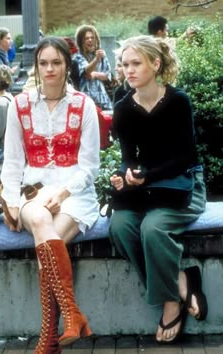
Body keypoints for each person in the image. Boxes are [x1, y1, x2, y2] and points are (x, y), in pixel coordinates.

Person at [0, 36, 100, 353]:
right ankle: (72, 314)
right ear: (36, 65)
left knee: (47, 250)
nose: (49, 69)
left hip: (76, 192)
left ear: (67, 66)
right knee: (42, 220)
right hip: (33, 191)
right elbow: (13, 161)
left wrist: (63, 191)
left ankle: (48, 337)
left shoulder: (84, 105)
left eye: (56, 62)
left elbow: (90, 167)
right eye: (43, 62)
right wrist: (13, 204)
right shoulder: (19, 105)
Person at [109, 35, 208, 344]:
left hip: (182, 184)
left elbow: (186, 157)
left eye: (136, 63)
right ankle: (180, 280)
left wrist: (147, 175)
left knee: (153, 229)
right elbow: (127, 154)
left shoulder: (178, 101)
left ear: (156, 63)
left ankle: (169, 303)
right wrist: (126, 175)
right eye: (125, 64)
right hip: (147, 187)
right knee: (121, 227)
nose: (129, 70)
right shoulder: (123, 106)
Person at [73, 24, 112, 110]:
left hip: (102, 100)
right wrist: (96, 60)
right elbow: (86, 71)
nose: (90, 40)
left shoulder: (101, 55)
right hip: (85, 100)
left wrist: (94, 74)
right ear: (81, 41)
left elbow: (107, 75)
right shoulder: (77, 57)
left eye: (92, 38)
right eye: (86, 38)